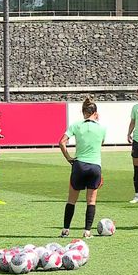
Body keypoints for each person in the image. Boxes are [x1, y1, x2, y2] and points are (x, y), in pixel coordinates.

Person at [59, 98, 106, 238]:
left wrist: (68, 158)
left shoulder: (76, 125)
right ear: (95, 113)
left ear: (83, 112)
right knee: (91, 201)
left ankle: (66, 229)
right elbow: (101, 143)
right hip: (95, 166)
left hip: (79, 165)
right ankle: (87, 231)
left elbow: (61, 142)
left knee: (71, 200)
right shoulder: (102, 128)